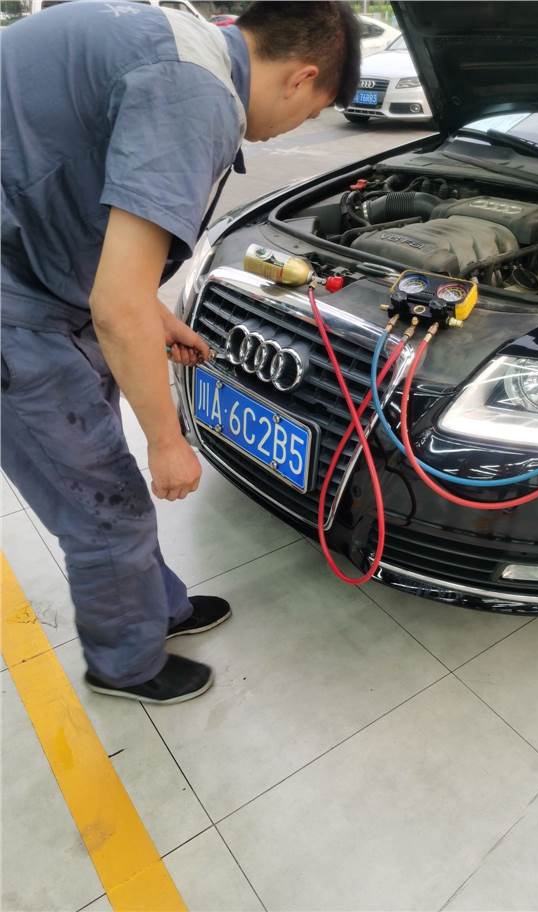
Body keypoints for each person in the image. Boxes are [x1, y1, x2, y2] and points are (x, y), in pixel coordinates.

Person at [1, 1, 361, 704]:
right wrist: (169, 441)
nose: (298, 126)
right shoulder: (195, 93)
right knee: (106, 505)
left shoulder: (178, 40)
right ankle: (126, 666)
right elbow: (116, 308)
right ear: (301, 77)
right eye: (313, 112)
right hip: (17, 310)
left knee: (108, 484)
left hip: (41, 274)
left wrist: (153, 312)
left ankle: (156, 607)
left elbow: (98, 234)